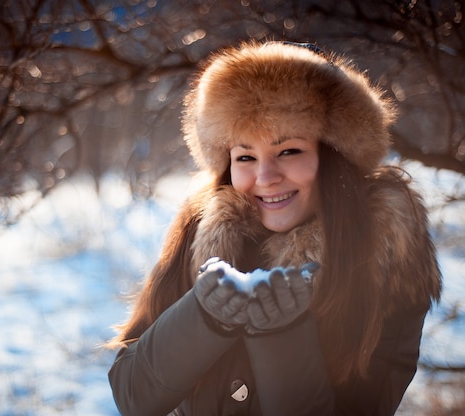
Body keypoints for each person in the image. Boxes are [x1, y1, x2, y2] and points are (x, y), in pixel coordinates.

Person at [107, 41, 442, 415]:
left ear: (333, 158)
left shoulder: (384, 251)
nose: (265, 177)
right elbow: (132, 394)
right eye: (246, 156)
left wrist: (279, 331)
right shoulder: (204, 230)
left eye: (288, 151)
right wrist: (204, 316)